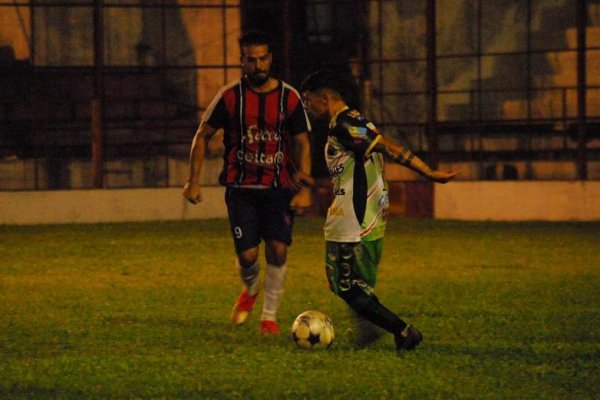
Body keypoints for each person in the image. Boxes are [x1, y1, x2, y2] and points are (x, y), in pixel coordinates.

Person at [300, 69, 458, 351]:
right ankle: (368, 334)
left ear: (323, 98)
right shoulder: (349, 121)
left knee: (346, 286)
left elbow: (387, 145)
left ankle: (403, 331)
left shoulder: (345, 123)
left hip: (353, 219)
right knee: (357, 286)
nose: (307, 107)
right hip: (365, 216)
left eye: (308, 101)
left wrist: (428, 172)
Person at [183, 30, 313, 336]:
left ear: (271, 58)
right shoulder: (229, 96)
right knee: (248, 256)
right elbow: (202, 135)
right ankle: (251, 288)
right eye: (251, 60)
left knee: (278, 251)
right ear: (242, 61)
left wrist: (304, 187)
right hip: (241, 189)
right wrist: (193, 182)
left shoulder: (288, 97)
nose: (258, 65)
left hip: (279, 188)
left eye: (263, 58)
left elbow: (303, 143)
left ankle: (269, 317)